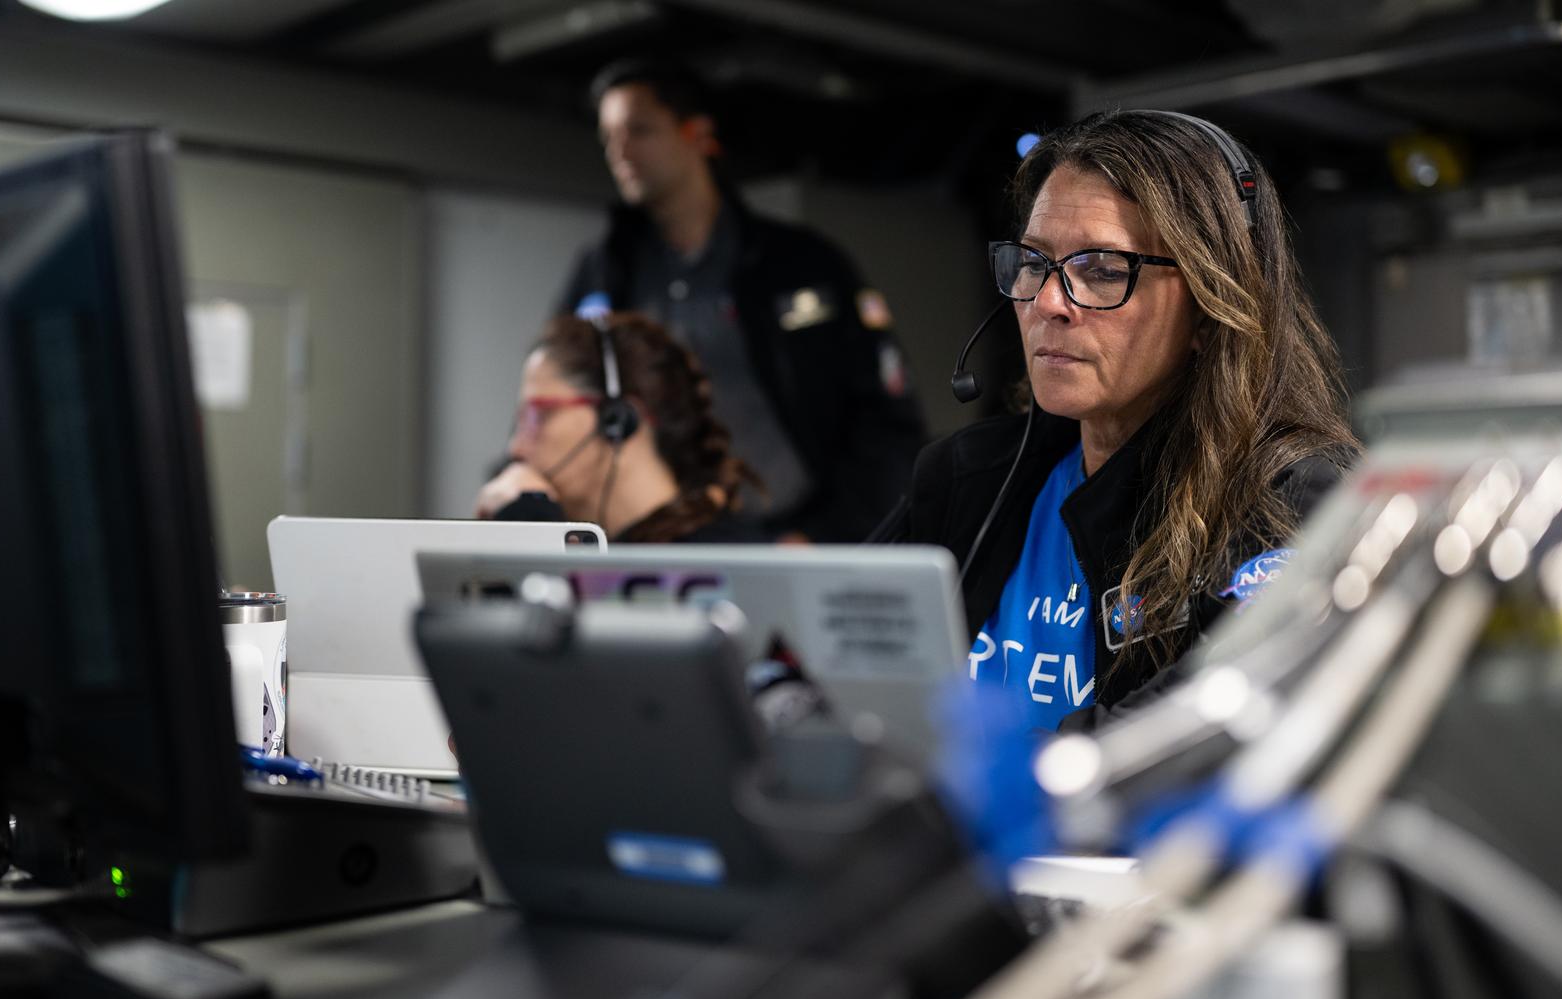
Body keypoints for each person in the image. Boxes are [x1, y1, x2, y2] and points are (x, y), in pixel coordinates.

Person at [877, 110, 1359, 733]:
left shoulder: (1292, 504)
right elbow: (825, 650)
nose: (1049, 302)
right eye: (1034, 262)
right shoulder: (968, 475)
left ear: (1213, 309)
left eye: (1102, 270)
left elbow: (1198, 739)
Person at [558, 57, 926, 544]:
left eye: (639, 130)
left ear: (697, 134)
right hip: (664, 542)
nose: (619, 152)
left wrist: (823, 537)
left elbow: (887, 425)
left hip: (794, 537)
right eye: (608, 137)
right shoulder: (606, 269)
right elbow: (555, 400)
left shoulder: (800, 263)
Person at [474, 313, 765, 544]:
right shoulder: (612, 551)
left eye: (538, 415)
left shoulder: (717, 558)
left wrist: (531, 521)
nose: (516, 447)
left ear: (618, 419)